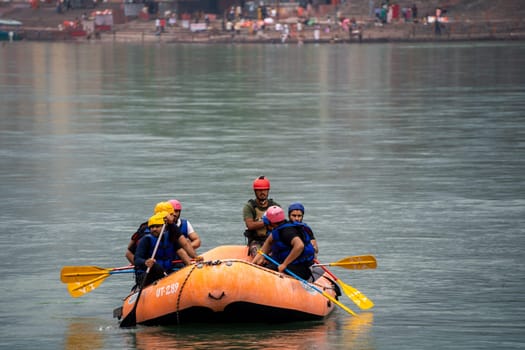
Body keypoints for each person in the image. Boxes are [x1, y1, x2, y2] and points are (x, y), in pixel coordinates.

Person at [134, 209, 202, 288]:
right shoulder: (146, 240)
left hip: (167, 271)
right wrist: (145, 262)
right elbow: (137, 259)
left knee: (180, 267)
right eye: (152, 227)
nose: (154, 229)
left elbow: (182, 250)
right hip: (148, 275)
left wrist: (192, 262)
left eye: (157, 226)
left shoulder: (170, 237)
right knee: (156, 266)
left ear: (164, 227)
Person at [252, 206, 315, 281]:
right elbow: (264, 248)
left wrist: (284, 264)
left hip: (300, 268)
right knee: (267, 265)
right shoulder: (277, 230)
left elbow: (299, 246)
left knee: (267, 271)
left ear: (271, 222)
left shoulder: (286, 232)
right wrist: (252, 265)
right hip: (289, 264)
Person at [125, 201, 198, 265]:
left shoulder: (171, 227)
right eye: (171, 214)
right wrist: (141, 265)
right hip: (151, 266)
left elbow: (181, 247)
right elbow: (129, 252)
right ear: (166, 216)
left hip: (165, 263)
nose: (174, 215)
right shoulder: (146, 230)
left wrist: (194, 260)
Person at [243, 176, 280, 257]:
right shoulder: (250, 207)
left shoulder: (275, 206)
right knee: (258, 257)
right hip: (256, 240)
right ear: (255, 192)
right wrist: (265, 222)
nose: (262, 192)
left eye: (264, 190)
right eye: (259, 190)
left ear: (268, 191)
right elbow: (250, 225)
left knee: (279, 255)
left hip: (272, 239)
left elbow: (281, 224)